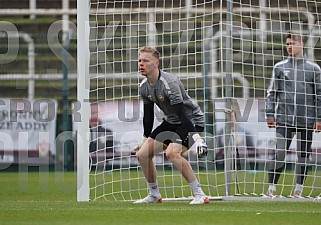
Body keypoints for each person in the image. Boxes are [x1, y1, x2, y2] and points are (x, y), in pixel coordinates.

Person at [133, 46, 209, 204]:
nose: (141, 64)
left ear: (156, 63)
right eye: (139, 60)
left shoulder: (170, 83)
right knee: (142, 154)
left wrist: (198, 139)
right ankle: (154, 194)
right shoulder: (143, 86)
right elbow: (148, 115)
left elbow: (183, 115)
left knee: (172, 153)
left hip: (191, 121)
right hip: (171, 121)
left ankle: (200, 194)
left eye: (146, 61)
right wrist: (144, 138)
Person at [265, 31, 321, 197]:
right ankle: (271, 189)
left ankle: (298, 190)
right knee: (280, 152)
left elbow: (319, 95)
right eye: (288, 44)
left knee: (303, 155)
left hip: (306, 120)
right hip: (284, 119)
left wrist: (319, 118)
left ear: (302, 44)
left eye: (293, 43)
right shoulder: (279, 67)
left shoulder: (314, 69)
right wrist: (270, 113)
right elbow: (272, 92)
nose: (290, 47)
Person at [216, 103, 256, 171]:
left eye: (232, 117)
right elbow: (218, 150)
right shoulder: (220, 133)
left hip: (242, 163)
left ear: (235, 118)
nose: (230, 120)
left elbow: (252, 149)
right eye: (228, 118)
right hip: (224, 164)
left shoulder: (245, 133)